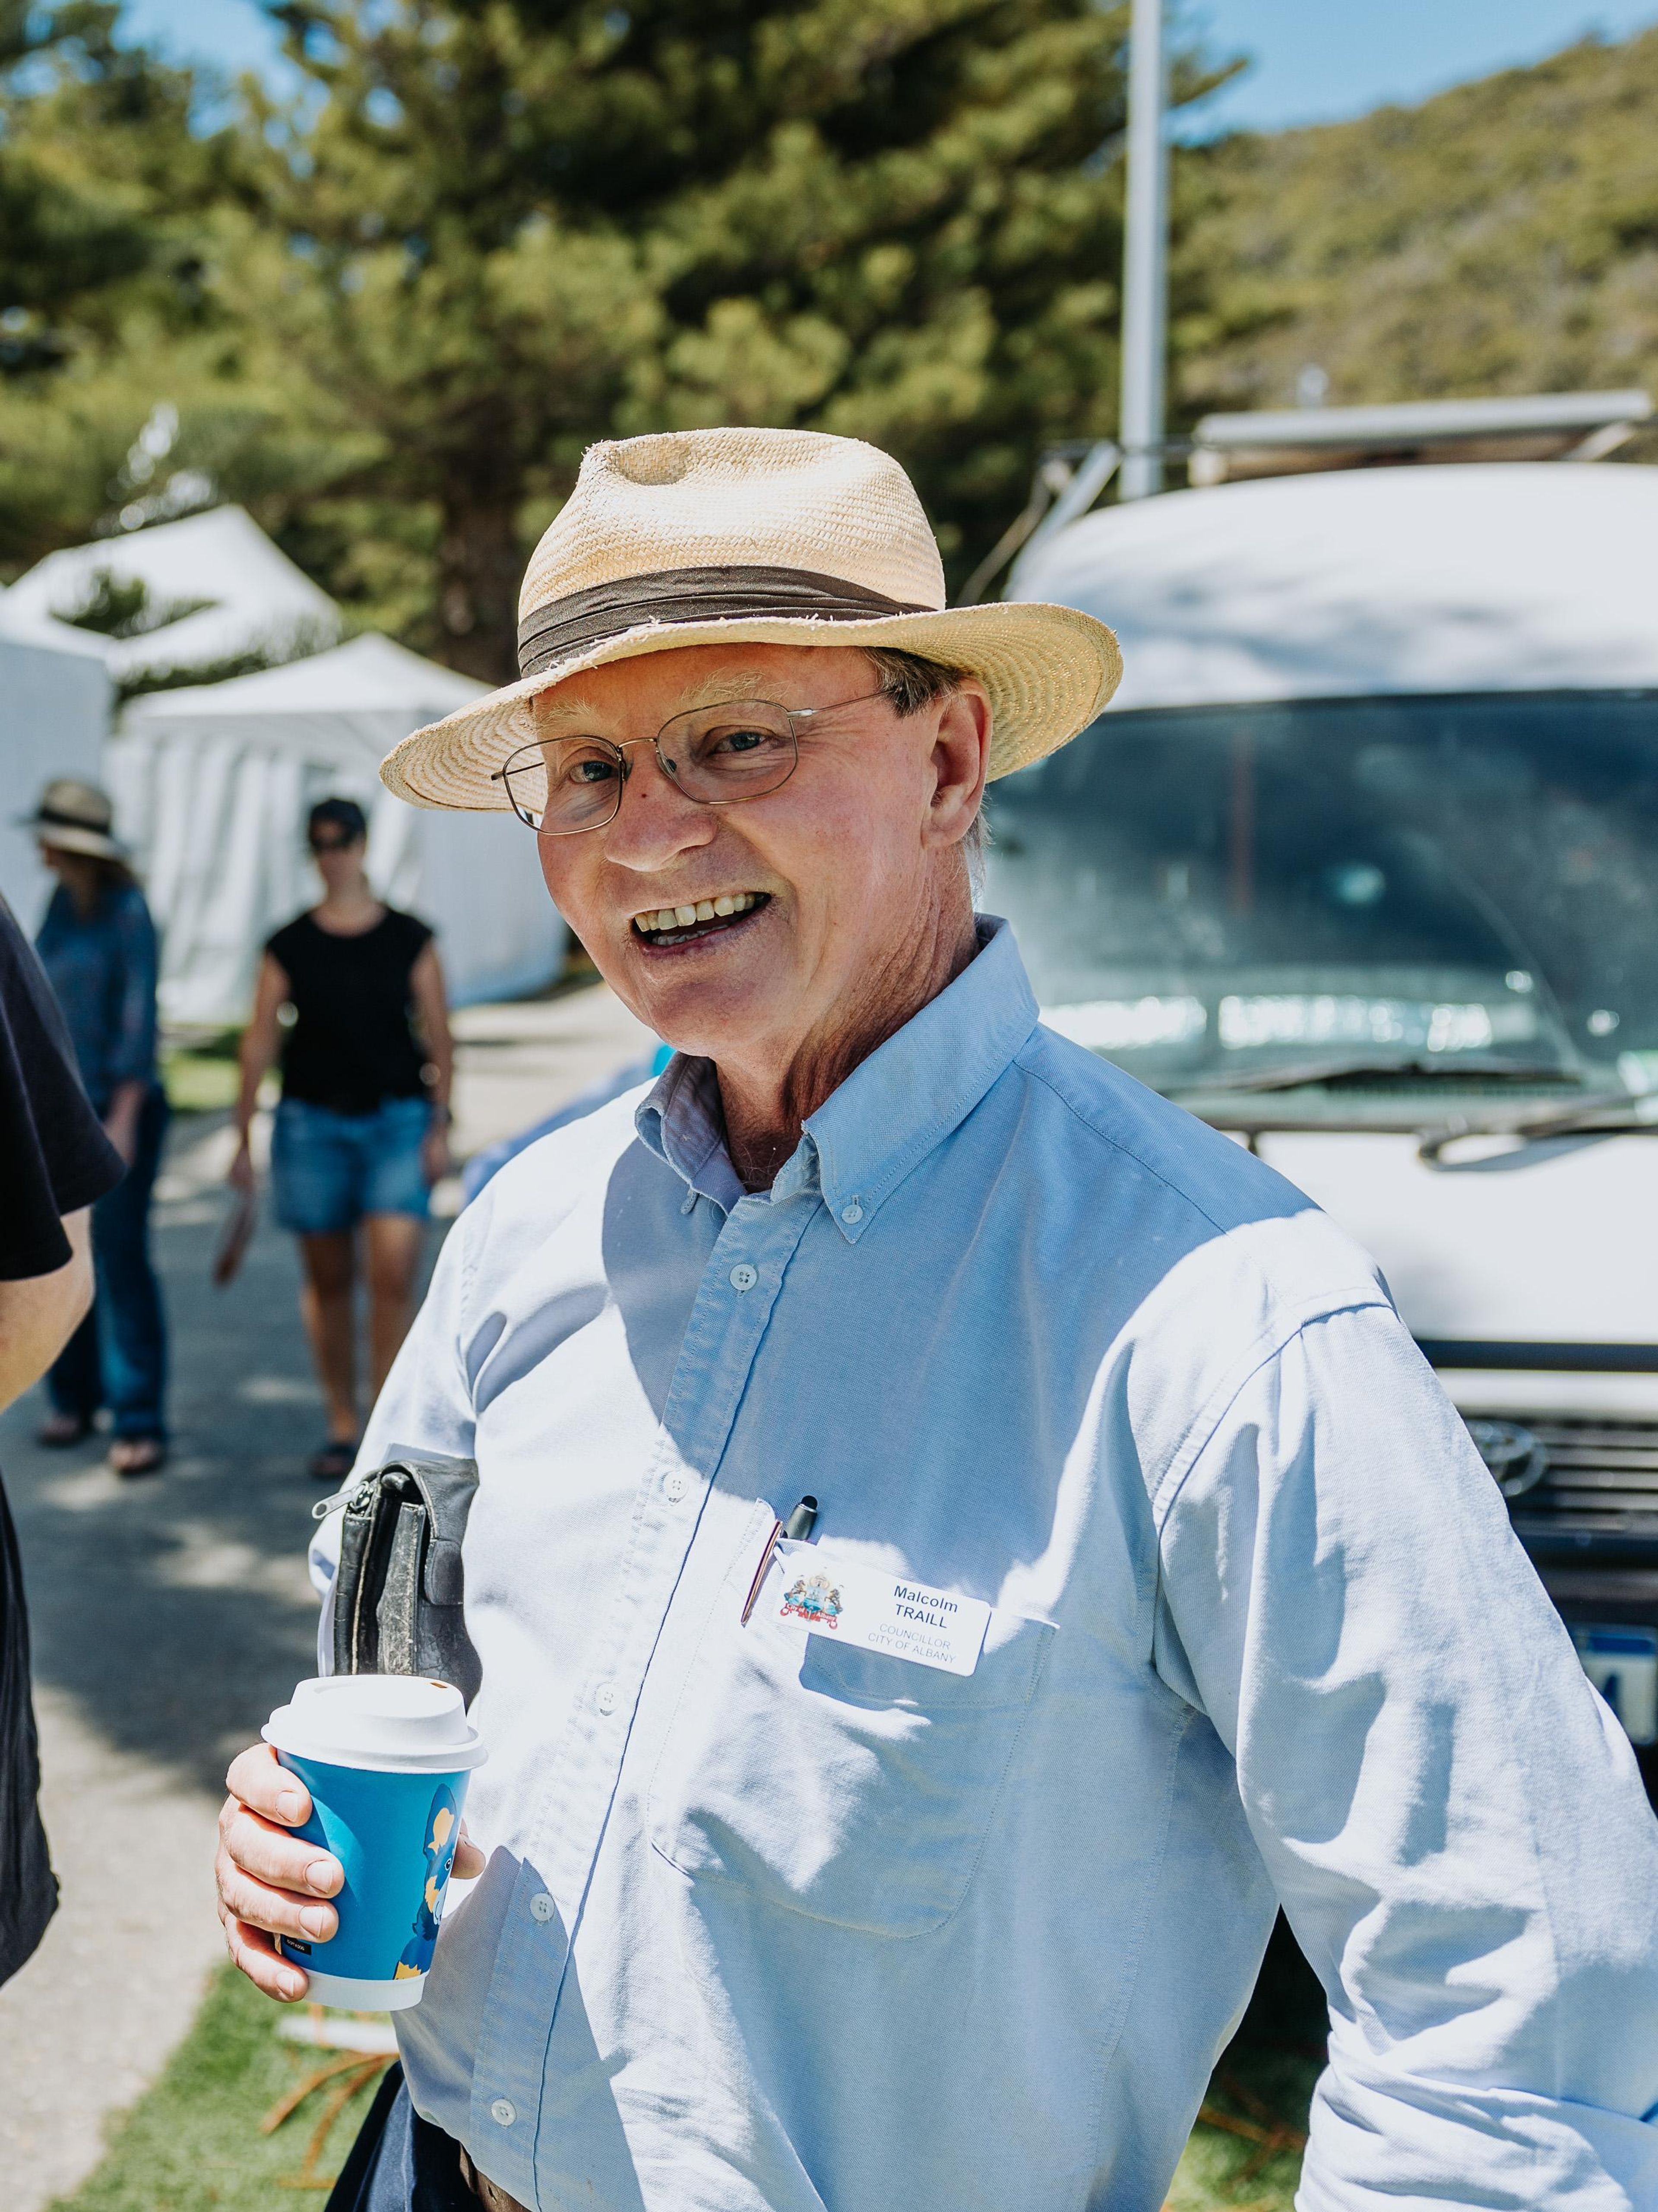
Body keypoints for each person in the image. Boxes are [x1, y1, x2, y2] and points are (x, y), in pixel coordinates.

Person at [215, 430, 1658, 2212]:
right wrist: (301, 1810)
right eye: (584, 766)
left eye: (738, 737)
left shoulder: (1228, 1318)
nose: (650, 828)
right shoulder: (529, 1221)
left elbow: (1511, 2026)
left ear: (952, 756)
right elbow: (407, 1648)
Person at [231, 798, 452, 1483]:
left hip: (396, 1122)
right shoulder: (289, 942)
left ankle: (389, 1427)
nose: (333, 854)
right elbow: (260, 1036)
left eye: (343, 840)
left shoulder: (411, 937)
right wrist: (241, 1134)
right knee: (328, 1280)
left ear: (363, 845)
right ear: (312, 851)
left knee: (392, 1278)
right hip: (311, 1125)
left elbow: (441, 1033)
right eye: (320, 843)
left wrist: (442, 1121)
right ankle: (341, 1424)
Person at [0, 889, 125, 1984]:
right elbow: (40, 1288)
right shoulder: (41, 913)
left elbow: (40, 1289)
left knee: (133, 1333)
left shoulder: (112, 915)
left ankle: (128, 1409)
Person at [25, 778, 168, 1476]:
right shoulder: (58, 904)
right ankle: (73, 1399)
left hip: (119, 1106)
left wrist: (124, 1117)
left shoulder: (126, 911)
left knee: (119, 1256)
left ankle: (138, 1413)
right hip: (62, 1109)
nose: (37, 846)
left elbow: (139, 1021)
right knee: (62, 1252)